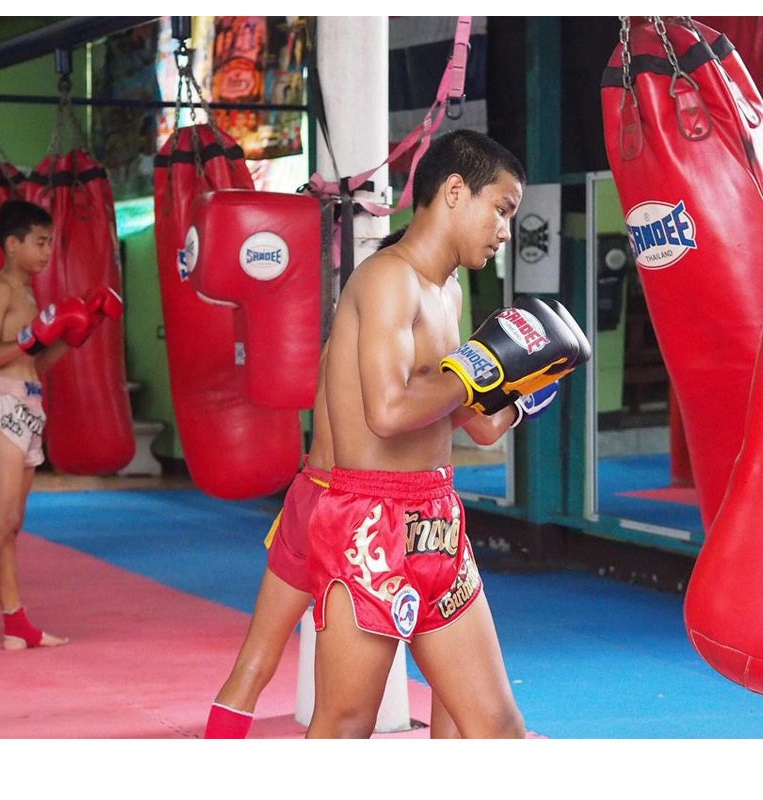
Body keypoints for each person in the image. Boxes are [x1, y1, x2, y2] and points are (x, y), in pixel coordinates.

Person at [203, 223, 560, 738]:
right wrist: (518, 399)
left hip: (320, 497)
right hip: (358, 511)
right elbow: (427, 422)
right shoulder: (393, 309)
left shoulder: (367, 328)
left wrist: (502, 394)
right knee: (385, 705)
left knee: (255, 667)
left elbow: (441, 415)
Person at [306, 129, 588, 738]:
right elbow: (387, 410)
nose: (507, 230)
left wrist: (522, 390)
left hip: (437, 518)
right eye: (503, 209)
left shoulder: (449, 290)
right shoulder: (387, 280)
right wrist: (483, 368)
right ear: (455, 192)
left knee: (493, 726)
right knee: (345, 725)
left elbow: (475, 423)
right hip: (368, 522)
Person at [0, 199, 114, 666]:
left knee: (12, 524)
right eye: (41, 242)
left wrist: (76, 335)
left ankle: (16, 626)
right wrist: (33, 335)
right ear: (13, 244)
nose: (49, 252)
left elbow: (34, 363)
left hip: (28, 400)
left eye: (51, 242)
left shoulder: (29, 296)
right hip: (3, 400)